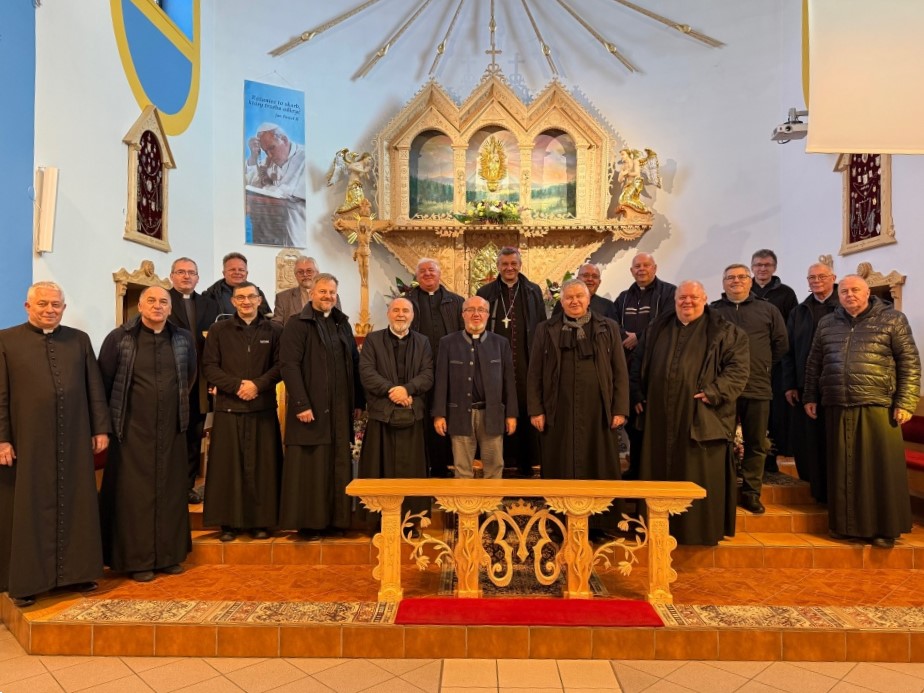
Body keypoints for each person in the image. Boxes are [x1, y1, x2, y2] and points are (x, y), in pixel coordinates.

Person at [0, 282, 110, 607]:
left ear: (64, 307)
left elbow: (94, 386)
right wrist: (2, 438)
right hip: (27, 441)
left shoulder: (79, 340)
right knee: (29, 507)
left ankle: (78, 573)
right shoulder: (6, 340)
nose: (50, 309)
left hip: (74, 437)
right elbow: (0, 394)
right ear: (27, 306)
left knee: (78, 501)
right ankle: (27, 581)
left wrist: (100, 428)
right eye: (43, 304)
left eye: (56, 304)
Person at [803, 275, 921, 548]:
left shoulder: (892, 320)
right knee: (842, 469)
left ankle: (883, 529)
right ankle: (844, 526)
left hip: (877, 405)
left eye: (855, 290)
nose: (849, 295)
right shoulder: (828, 322)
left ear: (868, 293)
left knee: (879, 469)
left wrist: (905, 401)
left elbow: (909, 362)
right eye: (844, 291)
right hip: (837, 403)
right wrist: (810, 395)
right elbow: (814, 362)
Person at [632, 280, 750, 545]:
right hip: (659, 416)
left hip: (701, 414)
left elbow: (738, 370)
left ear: (705, 299)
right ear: (675, 301)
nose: (687, 302)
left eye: (693, 297)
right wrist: (637, 393)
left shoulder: (725, 331)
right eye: (682, 297)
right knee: (658, 473)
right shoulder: (658, 327)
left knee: (696, 472)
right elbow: (638, 362)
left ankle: (696, 532)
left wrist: (714, 391)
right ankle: (655, 527)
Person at [98, 286, 197, 582]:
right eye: (151, 300)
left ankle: (168, 556)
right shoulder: (120, 338)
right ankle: (136, 560)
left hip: (171, 428)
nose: (157, 306)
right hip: (131, 430)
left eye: (163, 301)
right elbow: (105, 382)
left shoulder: (182, 338)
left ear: (170, 308)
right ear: (140, 306)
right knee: (134, 496)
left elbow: (189, 377)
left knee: (170, 492)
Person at [528, 280, 628, 535]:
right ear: (561, 302)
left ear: (588, 299)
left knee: (600, 464)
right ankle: (558, 522)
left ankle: (601, 524)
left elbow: (619, 369)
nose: (574, 301)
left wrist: (619, 408)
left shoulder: (608, 327)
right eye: (569, 297)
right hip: (557, 410)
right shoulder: (546, 329)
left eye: (579, 296)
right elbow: (535, 371)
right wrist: (536, 409)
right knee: (559, 465)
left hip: (599, 411)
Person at [279, 273, 364, 537]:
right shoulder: (297, 324)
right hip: (310, 408)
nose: (328, 296)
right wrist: (301, 403)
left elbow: (354, 363)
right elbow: (289, 366)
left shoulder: (342, 324)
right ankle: (310, 524)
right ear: (311, 293)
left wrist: (358, 401)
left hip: (340, 408)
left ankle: (336, 521)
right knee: (312, 467)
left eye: (332, 292)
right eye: (323, 292)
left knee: (337, 463)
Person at [202, 282, 283, 542]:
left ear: (259, 300)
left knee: (263, 469)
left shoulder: (275, 330)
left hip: (262, 407)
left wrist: (257, 385)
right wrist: (237, 386)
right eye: (240, 297)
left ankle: (262, 522)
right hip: (229, 407)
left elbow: (281, 366)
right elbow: (209, 366)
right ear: (233, 301)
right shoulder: (219, 330)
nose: (246, 301)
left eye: (251, 296)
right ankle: (229, 524)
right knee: (228, 469)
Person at [710, 264, 788, 514]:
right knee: (720, 441)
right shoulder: (713, 311)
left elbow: (781, 344)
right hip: (723, 389)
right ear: (723, 283)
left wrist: (762, 366)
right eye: (730, 278)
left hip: (757, 386)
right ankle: (722, 490)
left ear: (750, 281)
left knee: (756, 442)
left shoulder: (768, 310)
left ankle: (751, 492)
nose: (736, 281)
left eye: (741, 277)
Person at [358, 297, 434, 515]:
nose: (401, 314)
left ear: (412, 315)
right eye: (396, 310)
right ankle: (377, 520)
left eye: (405, 311)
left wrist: (407, 389)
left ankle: (413, 519)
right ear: (388, 314)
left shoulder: (423, 342)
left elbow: (428, 374)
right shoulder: (373, 340)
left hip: (412, 414)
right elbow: (367, 372)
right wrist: (393, 391)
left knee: (412, 472)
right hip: (382, 414)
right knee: (379, 471)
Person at [475, 247, 545, 477]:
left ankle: (526, 463)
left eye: (513, 263)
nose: (509, 268)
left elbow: (541, 325)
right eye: (504, 264)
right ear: (498, 266)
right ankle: (497, 463)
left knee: (525, 407)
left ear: (520, 265)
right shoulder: (485, 292)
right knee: (497, 407)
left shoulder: (533, 290)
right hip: (494, 362)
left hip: (526, 360)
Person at [432, 296, 518, 480]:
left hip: (492, 414)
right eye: (470, 310)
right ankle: (465, 501)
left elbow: (509, 382)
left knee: (495, 467)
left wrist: (511, 414)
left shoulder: (500, 343)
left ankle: (493, 500)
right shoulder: (448, 343)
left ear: (487, 315)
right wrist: (439, 414)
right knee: (462, 469)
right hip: (460, 414)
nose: (476, 314)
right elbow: (441, 381)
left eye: (481, 310)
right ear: (463, 314)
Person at [613, 252, 676, 479]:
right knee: (633, 423)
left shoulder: (669, 293)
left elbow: (666, 322)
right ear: (631, 271)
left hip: (655, 368)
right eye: (637, 266)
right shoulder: (623, 297)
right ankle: (636, 468)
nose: (641, 269)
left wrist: (639, 337)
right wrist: (625, 336)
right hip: (629, 368)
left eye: (646, 265)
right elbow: (612, 323)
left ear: (654, 268)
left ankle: (656, 471)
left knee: (655, 423)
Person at [782, 263, 838, 502]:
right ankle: (811, 487)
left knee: (831, 439)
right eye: (812, 277)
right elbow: (788, 351)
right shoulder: (799, 311)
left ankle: (833, 490)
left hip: (836, 386)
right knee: (807, 440)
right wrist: (790, 384)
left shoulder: (842, 307)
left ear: (833, 278)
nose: (816, 281)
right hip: (805, 385)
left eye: (821, 276)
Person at [405, 258, 464, 477]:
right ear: (416, 276)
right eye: (422, 271)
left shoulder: (456, 302)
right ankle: (423, 464)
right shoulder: (407, 302)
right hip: (418, 371)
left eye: (431, 270)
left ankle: (448, 464)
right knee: (423, 417)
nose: (427, 274)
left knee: (448, 415)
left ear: (440, 274)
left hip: (450, 371)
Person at [167, 257, 220, 504]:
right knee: (169, 436)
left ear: (198, 278)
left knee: (193, 436)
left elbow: (215, 344)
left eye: (191, 272)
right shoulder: (163, 300)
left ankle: (187, 486)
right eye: (181, 272)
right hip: (171, 379)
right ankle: (167, 487)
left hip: (200, 381)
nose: (186, 276)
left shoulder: (209, 304)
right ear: (172, 276)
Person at [750, 249, 799, 472]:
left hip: (776, 364)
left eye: (767, 265)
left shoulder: (786, 294)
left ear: (774, 268)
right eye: (758, 265)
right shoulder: (744, 289)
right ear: (752, 268)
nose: (762, 269)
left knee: (774, 413)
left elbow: (790, 329)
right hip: (749, 363)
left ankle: (771, 460)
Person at [245, 123, 307, 246]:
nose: (269, 155)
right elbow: (251, 182)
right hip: (273, 233)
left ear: (284, 140)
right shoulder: (270, 161)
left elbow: (288, 193)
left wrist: (268, 185)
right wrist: (253, 157)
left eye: (272, 148)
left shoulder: (305, 157)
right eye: (265, 151)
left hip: (299, 233)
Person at [272, 256, 340, 325]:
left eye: (309, 271)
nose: (305, 274)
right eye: (300, 272)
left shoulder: (331, 297)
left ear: (317, 273)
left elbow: (339, 323)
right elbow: (276, 326)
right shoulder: (282, 298)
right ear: (295, 275)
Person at [204, 252, 271, 317]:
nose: (237, 272)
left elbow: (266, 317)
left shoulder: (258, 293)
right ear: (224, 273)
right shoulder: (211, 295)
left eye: (241, 270)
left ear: (246, 273)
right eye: (232, 269)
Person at [551, 263, 619, 320]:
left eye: (595, 276)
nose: (590, 279)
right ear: (578, 279)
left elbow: (614, 330)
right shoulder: (563, 303)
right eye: (586, 275)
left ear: (599, 282)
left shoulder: (608, 306)